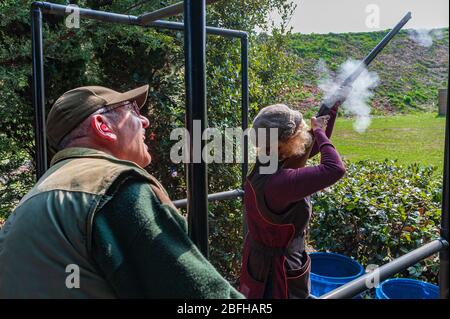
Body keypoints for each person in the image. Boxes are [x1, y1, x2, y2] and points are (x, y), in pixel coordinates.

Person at [0, 85, 244, 299]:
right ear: (102, 126)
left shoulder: (31, 201)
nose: (145, 121)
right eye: (133, 111)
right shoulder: (114, 187)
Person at [239, 102, 346, 299]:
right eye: (299, 132)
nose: (304, 135)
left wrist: (331, 107)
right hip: (279, 273)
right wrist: (319, 133)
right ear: (285, 141)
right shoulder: (279, 182)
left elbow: (307, 146)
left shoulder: (267, 161)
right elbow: (335, 169)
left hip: (259, 261)